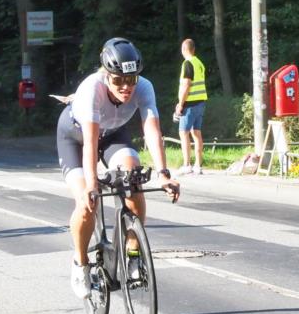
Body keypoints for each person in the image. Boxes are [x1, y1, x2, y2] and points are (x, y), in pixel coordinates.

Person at [57, 38, 180, 300]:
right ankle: (80, 263)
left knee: (133, 176)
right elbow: (90, 143)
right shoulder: (92, 88)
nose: (126, 87)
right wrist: (91, 185)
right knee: (86, 204)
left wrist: (164, 174)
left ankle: (133, 254)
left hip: (112, 135)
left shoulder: (144, 87)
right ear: (106, 75)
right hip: (76, 139)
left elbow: (152, 129)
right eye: (118, 80)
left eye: (131, 79)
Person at [175, 38, 207, 175]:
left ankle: (186, 164)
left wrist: (180, 104)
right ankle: (198, 165)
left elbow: (186, 85)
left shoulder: (187, 64)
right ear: (193, 49)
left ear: (183, 50)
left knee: (184, 133)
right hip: (201, 102)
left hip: (190, 103)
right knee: (196, 133)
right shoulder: (199, 63)